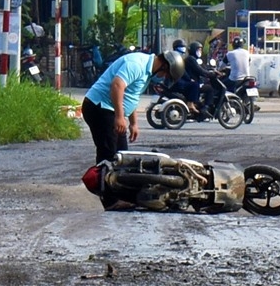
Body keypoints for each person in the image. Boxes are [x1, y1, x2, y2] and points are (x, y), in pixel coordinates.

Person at [81, 48, 185, 210]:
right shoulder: (136, 64)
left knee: (123, 157)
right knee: (108, 154)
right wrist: (119, 117)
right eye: (165, 75)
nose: (162, 78)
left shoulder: (147, 72)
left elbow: (131, 96)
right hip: (100, 107)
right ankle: (109, 201)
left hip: (112, 110)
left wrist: (133, 123)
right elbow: (117, 86)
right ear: (164, 65)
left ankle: (123, 197)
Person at [183, 41, 217, 117]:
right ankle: (205, 108)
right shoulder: (191, 59)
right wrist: (210, 74)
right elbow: (200, 71)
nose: (200, 52)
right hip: (192, 83)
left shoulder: (193, 59)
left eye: (201, 50)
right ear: (193, 50)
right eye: (198, 50)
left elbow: (203, 68)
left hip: (193, 82)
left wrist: (210, 71)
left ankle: (199, 105)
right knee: (210, 89)